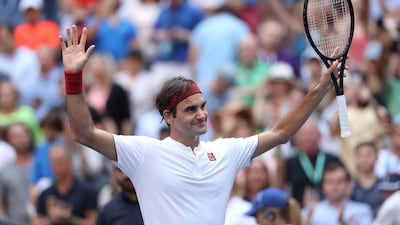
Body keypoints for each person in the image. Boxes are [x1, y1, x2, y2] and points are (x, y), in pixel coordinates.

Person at [60, 24, 343, 225]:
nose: (202, 114)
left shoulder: (225, 151)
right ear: (169, 117)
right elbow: (84, 133)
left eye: (204, 107)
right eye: (191, 109)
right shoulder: (144, 152)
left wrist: (317, 91)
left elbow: (281, 133)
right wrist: (73, 77)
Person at [304, 161, 373, 225]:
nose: (334, 186)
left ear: (348, 184)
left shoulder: (362, 210)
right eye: (329, 182)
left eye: (339, 181)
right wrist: (309, 216)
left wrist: (343, 222)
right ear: (323, 186)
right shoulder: (311, 210)